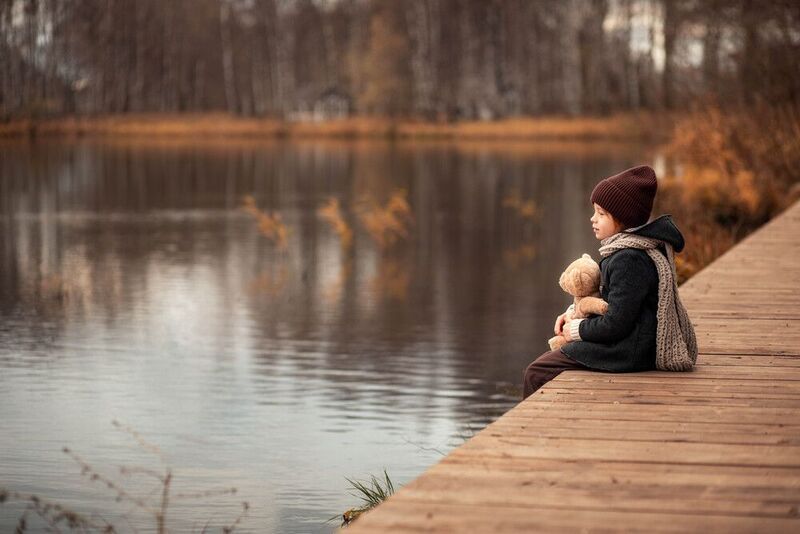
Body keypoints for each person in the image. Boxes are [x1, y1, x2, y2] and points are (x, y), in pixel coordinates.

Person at [522, 165, 697, 400]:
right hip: (629, 345)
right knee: (548, 363)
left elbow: (616, 323)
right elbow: (609, 303)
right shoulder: (627, 251)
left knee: (537, 372)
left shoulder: (629, 259)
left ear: (623, 218)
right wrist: (574, 313)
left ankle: (534, 431)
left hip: (629, 352)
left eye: (601, 213)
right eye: (594, 212)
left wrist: (576, 330)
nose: (593, 219)